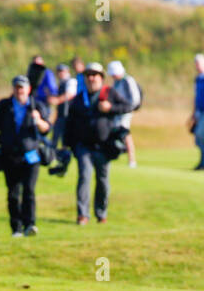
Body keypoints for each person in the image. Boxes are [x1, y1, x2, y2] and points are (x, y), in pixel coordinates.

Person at [64, 62, 132, 224]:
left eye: (95, 75)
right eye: (88, 75)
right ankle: (83, 215)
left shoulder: (109, 93)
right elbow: (69, 123)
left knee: (102, 181)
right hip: (83, 147)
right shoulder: (79, 99)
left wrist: (110, 108)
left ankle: (101, 214)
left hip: (104, 146)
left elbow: (128, 106)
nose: (91, 78)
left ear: (101, 78)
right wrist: (67, 145)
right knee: (84, 177)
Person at [0, 75, 52, 237]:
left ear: (28, 89)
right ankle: (16, 227)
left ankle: (30, 224)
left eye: (22, 87)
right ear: (13, 88)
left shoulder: (37, 106)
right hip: (10, 155)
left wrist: (38, 120)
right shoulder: (4, 106)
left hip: (32, 154)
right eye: (17, 87)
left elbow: (47, 128)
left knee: (29, 190)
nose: (19, 90)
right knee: (13, 193)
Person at [106, 60, 141, 168]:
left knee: (125, 133)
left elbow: (135, 99)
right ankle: (116, 153)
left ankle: (132, 160)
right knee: (117, 132)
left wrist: (127, 108)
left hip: (125, 112)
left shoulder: (127, 80)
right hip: (118, 111)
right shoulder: (117, 82)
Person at [49, 63, 75, 148]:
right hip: (61, 114)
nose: (60, 73)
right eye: (59, 71)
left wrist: (57, 100)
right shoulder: (61, 83)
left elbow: (70, 94)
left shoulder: (71, 81)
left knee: (65, 139)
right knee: (55, 136)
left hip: (68, 114)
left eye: (62, 71)